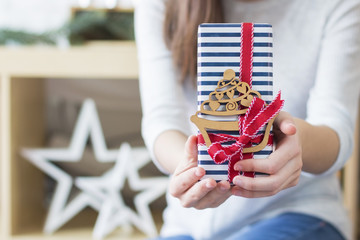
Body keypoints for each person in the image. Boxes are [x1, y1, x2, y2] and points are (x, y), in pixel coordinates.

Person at [135, 0, 360, 239]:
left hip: (297, 212)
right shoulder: (161, 4)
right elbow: (162, 121)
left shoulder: (337, 4)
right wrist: (195, 171)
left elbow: (337, 129)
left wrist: (295, 139)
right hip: (188, 225)